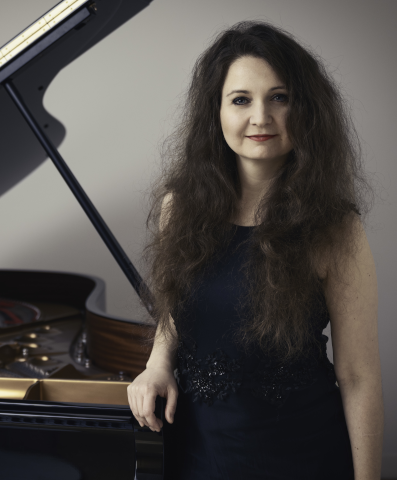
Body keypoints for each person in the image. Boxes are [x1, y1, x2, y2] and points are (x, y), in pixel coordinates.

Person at [127, 21, 384, 480]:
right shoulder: (179, 207)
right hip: (197, 455)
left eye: (279, 98)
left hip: (303, 458)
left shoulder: (336, 228)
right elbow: (175, 304)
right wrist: (157, 363)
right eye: (241, 100)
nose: (261, 117)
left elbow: (358, 377)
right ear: (216, 112)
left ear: (305, 110)